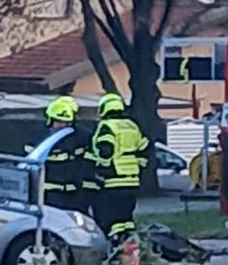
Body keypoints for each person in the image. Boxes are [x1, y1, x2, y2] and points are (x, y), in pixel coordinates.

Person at [90, 92, 150, 247]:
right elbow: (144, 149)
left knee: (111, 218)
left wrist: (99, 169)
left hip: (113, 181)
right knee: (126, 219)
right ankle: (129, 247)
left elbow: (106, 150)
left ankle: (115, 248)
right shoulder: (132, 126)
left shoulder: (107, 127)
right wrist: (137, 167)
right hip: (132, 180)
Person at [25, 96, 88, 211]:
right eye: (57, 122)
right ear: (50, 120)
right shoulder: (38, 138)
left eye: (65, 123)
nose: (61, 126)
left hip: (72, 194)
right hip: (46, 194)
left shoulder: (80, 138)